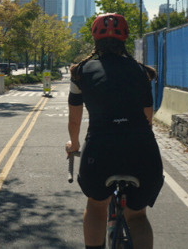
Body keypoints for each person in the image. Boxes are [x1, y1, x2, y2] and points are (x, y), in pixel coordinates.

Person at [66, 13, 164, 249]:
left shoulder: (80, 72)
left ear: (94, 39)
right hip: (142, 148)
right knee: (138, 215)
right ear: (125, 40)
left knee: (97, 207)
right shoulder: (142, 72)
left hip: (100, 150)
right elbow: (148, 117)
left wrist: (74, 145)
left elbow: (74, 121)